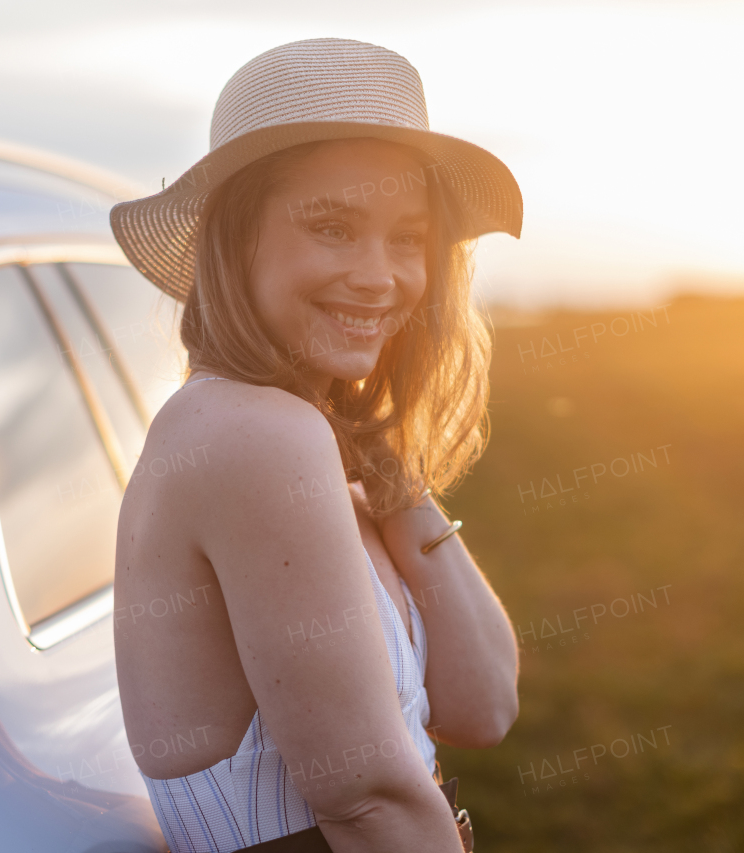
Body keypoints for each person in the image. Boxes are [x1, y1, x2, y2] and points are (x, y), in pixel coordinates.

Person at [109, 37, 522, 853]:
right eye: (334, 227)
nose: (381, 276)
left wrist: (392, 473)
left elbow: (484, 705)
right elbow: (369, 800)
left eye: (408, 239)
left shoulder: (309, 444)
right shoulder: (253, 432)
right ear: (235, 240)